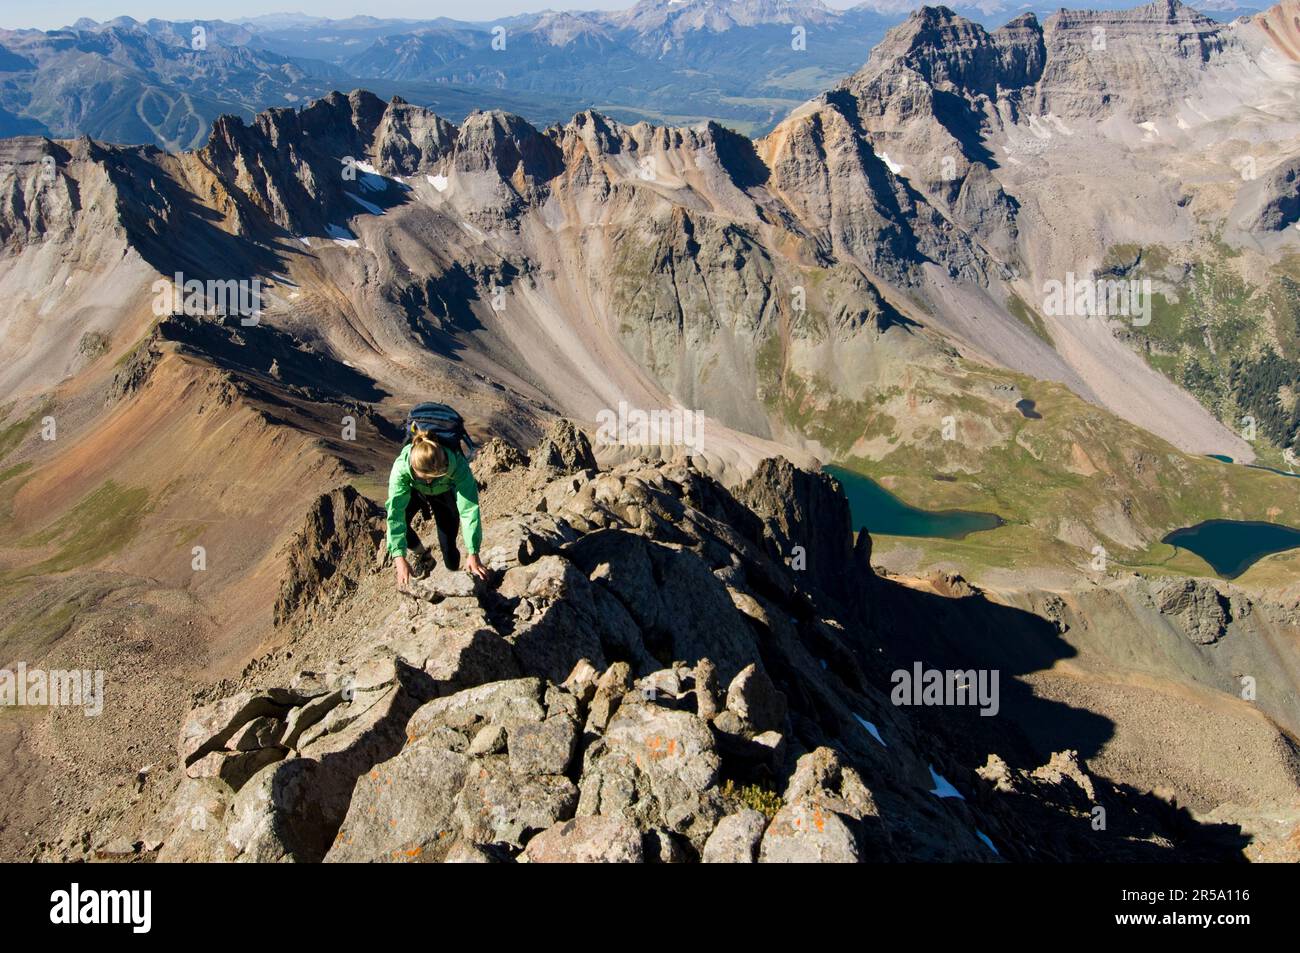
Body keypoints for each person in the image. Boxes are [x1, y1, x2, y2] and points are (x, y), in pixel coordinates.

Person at [386, 430, 488, 588]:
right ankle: (423, 556)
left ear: (443, 468)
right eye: (423, 477)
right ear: (413, 468)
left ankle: (457, 576)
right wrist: (399, 557)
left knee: (448, 546)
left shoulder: (457, 466)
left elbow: (469, 510)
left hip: (444, 493)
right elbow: (395, 515)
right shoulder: (401, 469)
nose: (428, 482)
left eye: (433, 478)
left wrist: (473, 552)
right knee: (403, 524)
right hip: (415, 491)